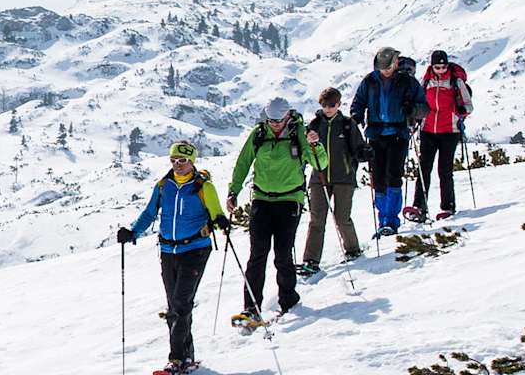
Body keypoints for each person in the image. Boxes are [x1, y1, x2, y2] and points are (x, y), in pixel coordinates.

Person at [118, 141, 228, 375]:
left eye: (183, 161)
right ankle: (187, 357)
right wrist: (132, 232)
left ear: (192, 162)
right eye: (174, 161)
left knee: (181, 303)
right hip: (168, 251)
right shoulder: (163, 186)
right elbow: (149, 213)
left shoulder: (202, 186)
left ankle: (176, 360)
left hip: (195, 249)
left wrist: (220, 220)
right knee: (174, 307)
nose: (178, 165)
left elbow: (216, 211)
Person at [226, 98, 325, 322]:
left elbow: (321, 164)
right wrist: (233, 191)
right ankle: (251, 307)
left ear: (288, 116)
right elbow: (243, 163)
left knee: (282, 254)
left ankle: (288, 298)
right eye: (271, 120)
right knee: (257, 255)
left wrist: (314, 145)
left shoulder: (299, 132)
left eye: (279, 120)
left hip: (290, 200)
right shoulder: (259, 134)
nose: (275, 124)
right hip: (262, 199)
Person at [350, 47, 427, 237]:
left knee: (393, 176)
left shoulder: (407, 82)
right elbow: (359, 101)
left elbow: (424, 108)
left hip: (398, 133)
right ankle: (383, 219)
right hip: (376, 133)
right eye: (381, 67)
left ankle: (391, 220)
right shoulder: (370, 81)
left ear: (395, 62)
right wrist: (356, 116)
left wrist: (412, 109)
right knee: (377, 179)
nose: (384, 71)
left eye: (387, 67)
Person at [298, 87, 368, 277]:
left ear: (339, 104)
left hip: (344, 177)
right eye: (324, 105)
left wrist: (364, 153)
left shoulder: (347, 124)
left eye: (332, 105)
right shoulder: (314, 124)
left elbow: (358, 147)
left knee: (342, 217)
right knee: (316, 220)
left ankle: (352, 248)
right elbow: (305, 151)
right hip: (319, 178)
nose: (328, 109)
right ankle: (311, 260)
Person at [411, 50, 472, 221]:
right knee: (424, 169)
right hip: (428, 130)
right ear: (432, 66)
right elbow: (420, 101)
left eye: (443, 66)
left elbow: (468, 105)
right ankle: (419, 206)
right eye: (437, 67)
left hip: (449, 131)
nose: (440, 70)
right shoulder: (426, 81)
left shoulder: (455, 81)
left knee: (444, 170)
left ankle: (448, 207)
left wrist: (462, 111)